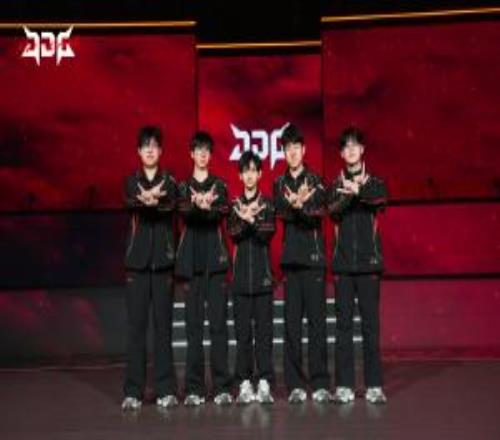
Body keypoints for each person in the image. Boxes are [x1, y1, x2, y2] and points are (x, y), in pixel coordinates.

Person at [327, 126, 388, 404]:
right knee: (343, 327)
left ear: (362, 150)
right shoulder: (335, 185)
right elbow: (332, 210)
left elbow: (381, 200)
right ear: (341, 154)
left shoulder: (374, 182)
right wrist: (349, 194)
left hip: (369, 265)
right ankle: (344, 386)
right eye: (346, 146)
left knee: (370, 327)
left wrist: (360, 189)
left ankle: (374, 385)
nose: (351, 150)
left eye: (355, 145)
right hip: (342, 266)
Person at [273, 123, 331, 404]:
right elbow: (280, 211)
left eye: (297, 147)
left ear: (304, 150)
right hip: (291, 262)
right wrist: (294, 205)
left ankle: (320, 382)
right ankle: (295, 384)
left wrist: (303, 205)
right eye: (288, 148)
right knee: (292, 325)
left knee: (317, 324)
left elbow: (319, 211)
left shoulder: (317, 181)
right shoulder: (279, 184)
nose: (293, 152)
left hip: (314, 261)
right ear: (284, 152)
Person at [122, 126, 178, 410]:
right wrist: (144, 200)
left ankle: (166, 389)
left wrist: (155, 200)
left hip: (163, 265)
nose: (150, 150)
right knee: (136, 330)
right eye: (145, 146)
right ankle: (133, 391)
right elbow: (130, 201)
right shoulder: (131, 181)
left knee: (163, 329)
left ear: (161, 151)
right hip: (137, 266)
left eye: (154, 145)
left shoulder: (170, 181)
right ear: (138, 151)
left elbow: (170, 205)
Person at [176, 131, 233, 406]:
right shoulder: (182, 187)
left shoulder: (219, 185)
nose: (202, 154)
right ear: (191, 154)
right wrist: (197, 205)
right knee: (193, 329)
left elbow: (222, 212)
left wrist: (206, 207)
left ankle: (222, 387)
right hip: (191, 266)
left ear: (210, 155)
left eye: (206, 150)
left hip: (216, 265)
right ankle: (194, 388)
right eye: (197, 149)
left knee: (219, 327)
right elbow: (184, 212)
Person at [227, 150, 276, 404]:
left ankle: (265, 381)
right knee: (243, 334)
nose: (249, 175)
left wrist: (252, 220)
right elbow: (233, 233)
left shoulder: (267, 204)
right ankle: (244, 382)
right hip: (240, 282)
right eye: (245, 171)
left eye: (253, 170)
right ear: (240, 175)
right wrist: (245, 218)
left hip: (263, 279)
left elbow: (268, 232)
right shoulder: (234, 205)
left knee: (264, 333)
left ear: (260, 174)